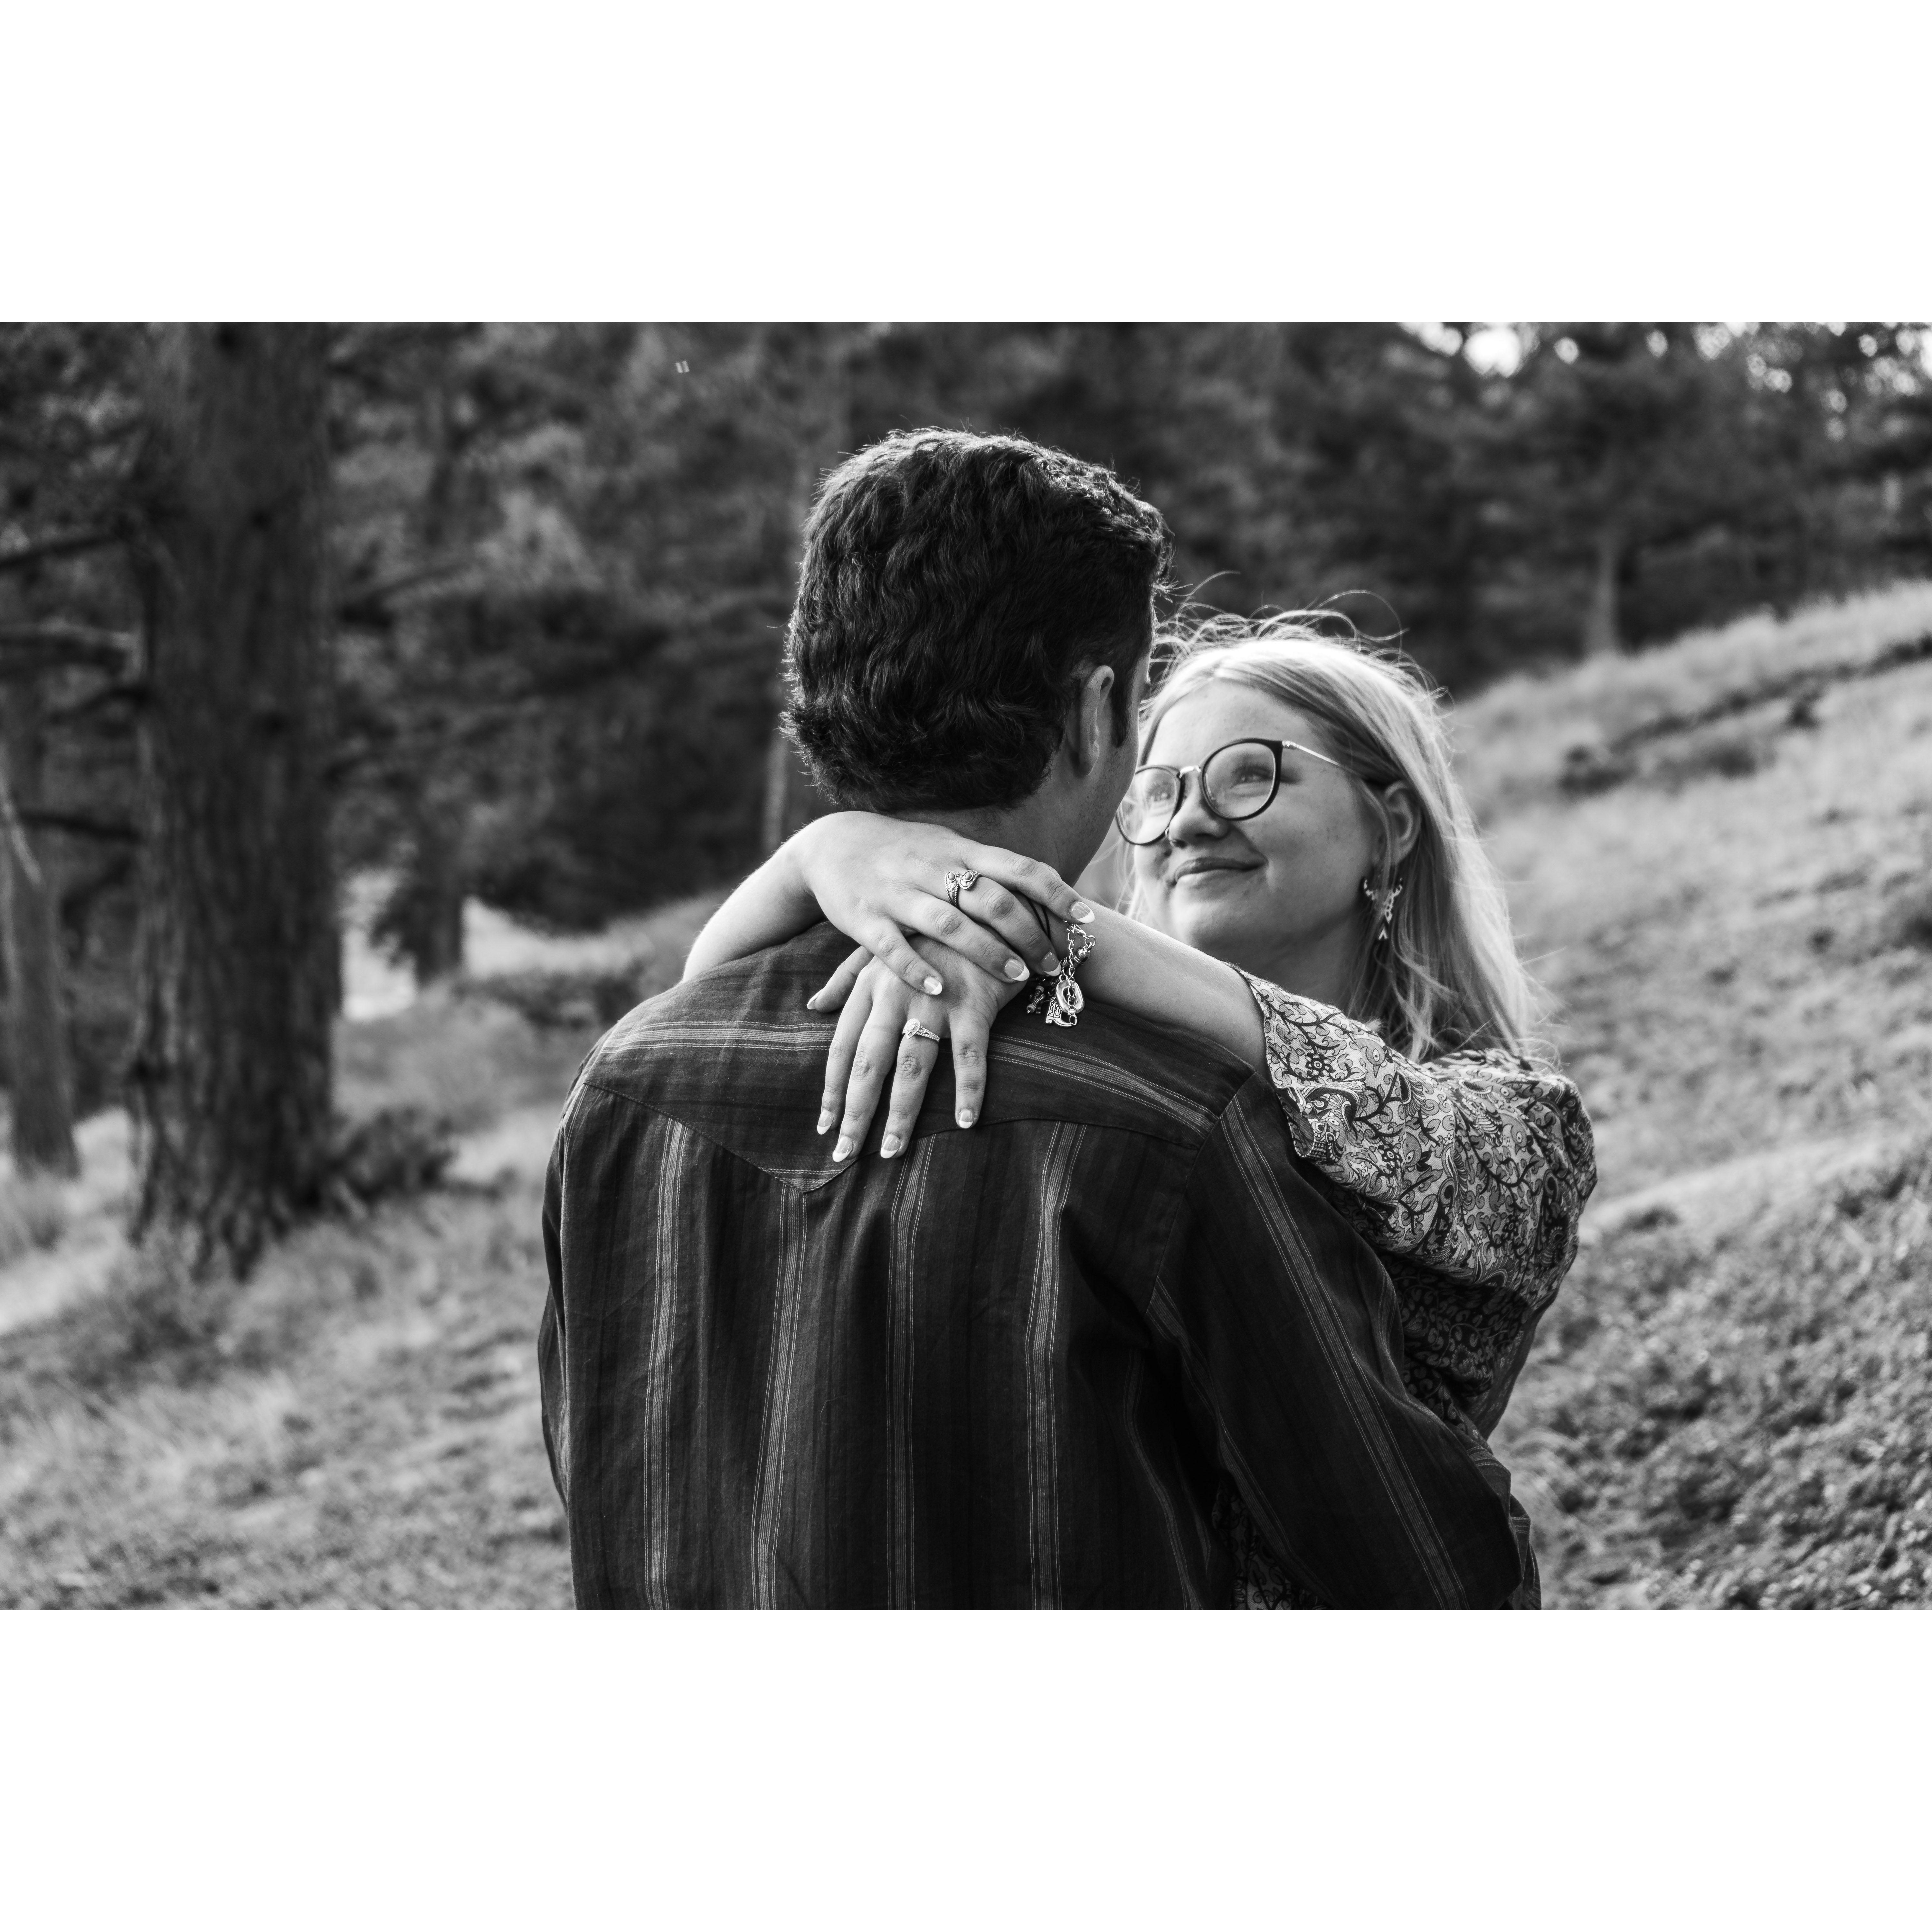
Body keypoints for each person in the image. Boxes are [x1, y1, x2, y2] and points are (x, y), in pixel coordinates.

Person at [542, 426, 1525, 1608]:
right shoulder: (1168, 1118)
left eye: (1251, 775)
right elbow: (1424, 1571)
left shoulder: (625, 1088)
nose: (1185, 818)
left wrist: (841, 863)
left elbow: (602, 1477)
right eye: (1158, 758)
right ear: (1097, 711)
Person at [693, 611, 1596, 1607]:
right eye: (1158, 791)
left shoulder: (1521, 1127)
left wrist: (1025, 918)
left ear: (1391, 826)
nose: (1189, 821)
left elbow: (1371, 1115)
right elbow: (703, 1050)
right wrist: (816, 856)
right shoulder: (1072, 1064)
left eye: (1249, 776)